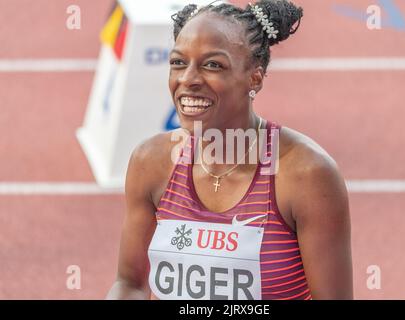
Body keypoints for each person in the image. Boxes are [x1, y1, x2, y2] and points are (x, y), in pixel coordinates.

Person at [106, 0, 353, 300]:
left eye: (213, 65)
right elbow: (130, 283)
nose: (188, 80)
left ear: (255, 78)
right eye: (178, 62)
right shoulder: (150, 162)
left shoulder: (306, 174)